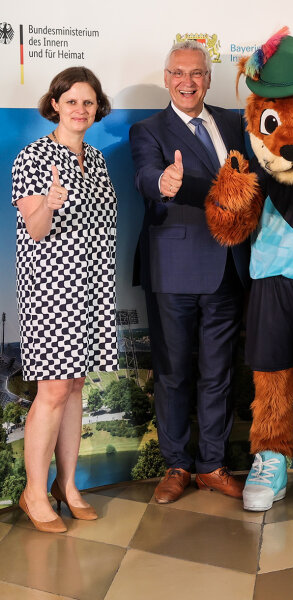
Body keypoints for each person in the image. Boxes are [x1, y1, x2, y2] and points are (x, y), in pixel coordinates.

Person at [129, 40, 250, 504]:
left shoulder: (233, 122)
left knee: (219, 373)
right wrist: (162, 183)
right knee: (174, 372)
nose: (187, 81)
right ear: (166, 78)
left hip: (228, 268)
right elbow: (144, 175)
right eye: (178, 73)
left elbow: (252, 180)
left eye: (196, 73)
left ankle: (212, 465)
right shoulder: (149, 129)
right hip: (173, 270)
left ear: (208, 78)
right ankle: (177, 465)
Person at [12, 67, 117, 532]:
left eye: (88, 102)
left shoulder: (96, 160)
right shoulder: (32, 158)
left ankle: (68, 485)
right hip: (52, 290)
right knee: (53, 389)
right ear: (54, 103)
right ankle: (34, 493)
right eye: (71, 100)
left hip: (93, 288)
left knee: (75, 386)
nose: (80, 109)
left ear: (98, 109)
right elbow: (35, 231)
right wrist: (48, 204)